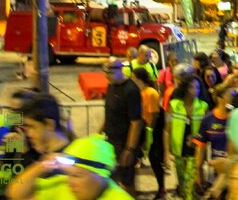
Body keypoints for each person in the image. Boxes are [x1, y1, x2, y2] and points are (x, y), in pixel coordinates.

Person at [7, 94, 73, 200]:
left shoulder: (66, 163)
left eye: (32, 127)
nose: (28, 134)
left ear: (49, 125)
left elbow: (18, 194)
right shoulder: (39, 153)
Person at [101, 58, 143, 196]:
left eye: (109, 72)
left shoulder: (131, 90)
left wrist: (129, 149)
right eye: (105, 72)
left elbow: (136, 122)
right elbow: (109, 112)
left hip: (124, 144)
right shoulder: (111, 85)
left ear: (120, 69)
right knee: (112, 178)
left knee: (127, 181)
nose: (106, 76)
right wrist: (99, 134)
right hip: (110, 142)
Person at [166, 74, 208, 200]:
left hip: (195, 152)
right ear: (185, 88)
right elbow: (166, 130)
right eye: (191, 87)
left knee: (190, 187)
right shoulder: (173, 105)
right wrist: (167, 152)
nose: (195, 90)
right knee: (183, 186)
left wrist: (197, 138)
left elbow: (206, 133)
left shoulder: (203, 107)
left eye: (198, 87)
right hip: (178, 152)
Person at [58, 135, 134, 199]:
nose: (69, 183)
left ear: (101, 176)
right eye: (68, 174)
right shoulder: (59, 187)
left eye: (77, 176)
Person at [193, 83, 235, 198]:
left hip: (233, 168)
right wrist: (198, 171)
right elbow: (201, 147)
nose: (233, 97)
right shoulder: (208, 119)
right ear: (220, 98)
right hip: (216, 170)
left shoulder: (237, 117)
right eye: (230, 94)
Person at [130, 68, 165, 199]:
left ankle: (162, 188)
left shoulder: (151, 93)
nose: (131, 80)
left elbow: (155, 115)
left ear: (139, 79)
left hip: (151, 130)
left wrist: (149, 133)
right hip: (142, 128)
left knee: (155, 159)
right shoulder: (138, 92)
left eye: (133, 77)